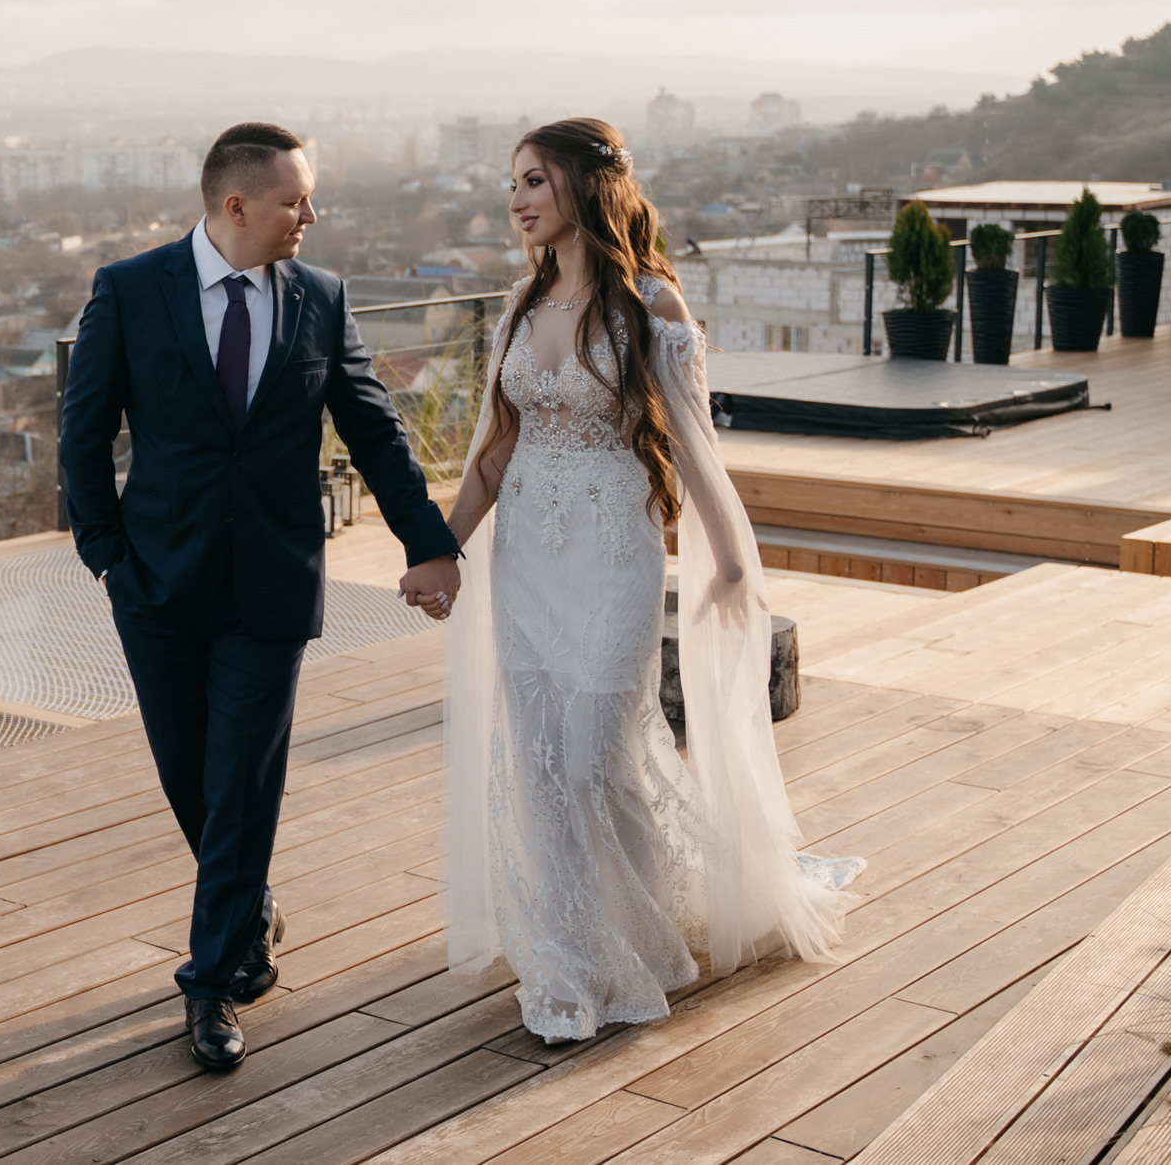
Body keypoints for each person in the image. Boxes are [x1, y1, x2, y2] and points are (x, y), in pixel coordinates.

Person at [411, 117, 858, 1042]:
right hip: (527, 560)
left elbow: (694, 442)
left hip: (614, 558)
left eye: (535, 179)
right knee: (540, 772)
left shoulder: (651, 305)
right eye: (513, 182)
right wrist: (439, 548)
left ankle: (650, 923)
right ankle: (574, 956)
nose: (518, 198)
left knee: (592, 763)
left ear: (582, 183)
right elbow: (494, 454)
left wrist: (731, 558)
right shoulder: (519, 307)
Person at [60, 121, 464, 1071]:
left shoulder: (322, 299)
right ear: (235, 206)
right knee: (190, 777)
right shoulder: (129, 290)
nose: (310, 215)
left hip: (272, 588)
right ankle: (249, 907)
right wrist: (106, 557)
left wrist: (430, 543)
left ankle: (210, 982)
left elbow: (376, 435)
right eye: (294, 200)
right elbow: (82, 437)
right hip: (155, 582)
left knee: (242, 777)